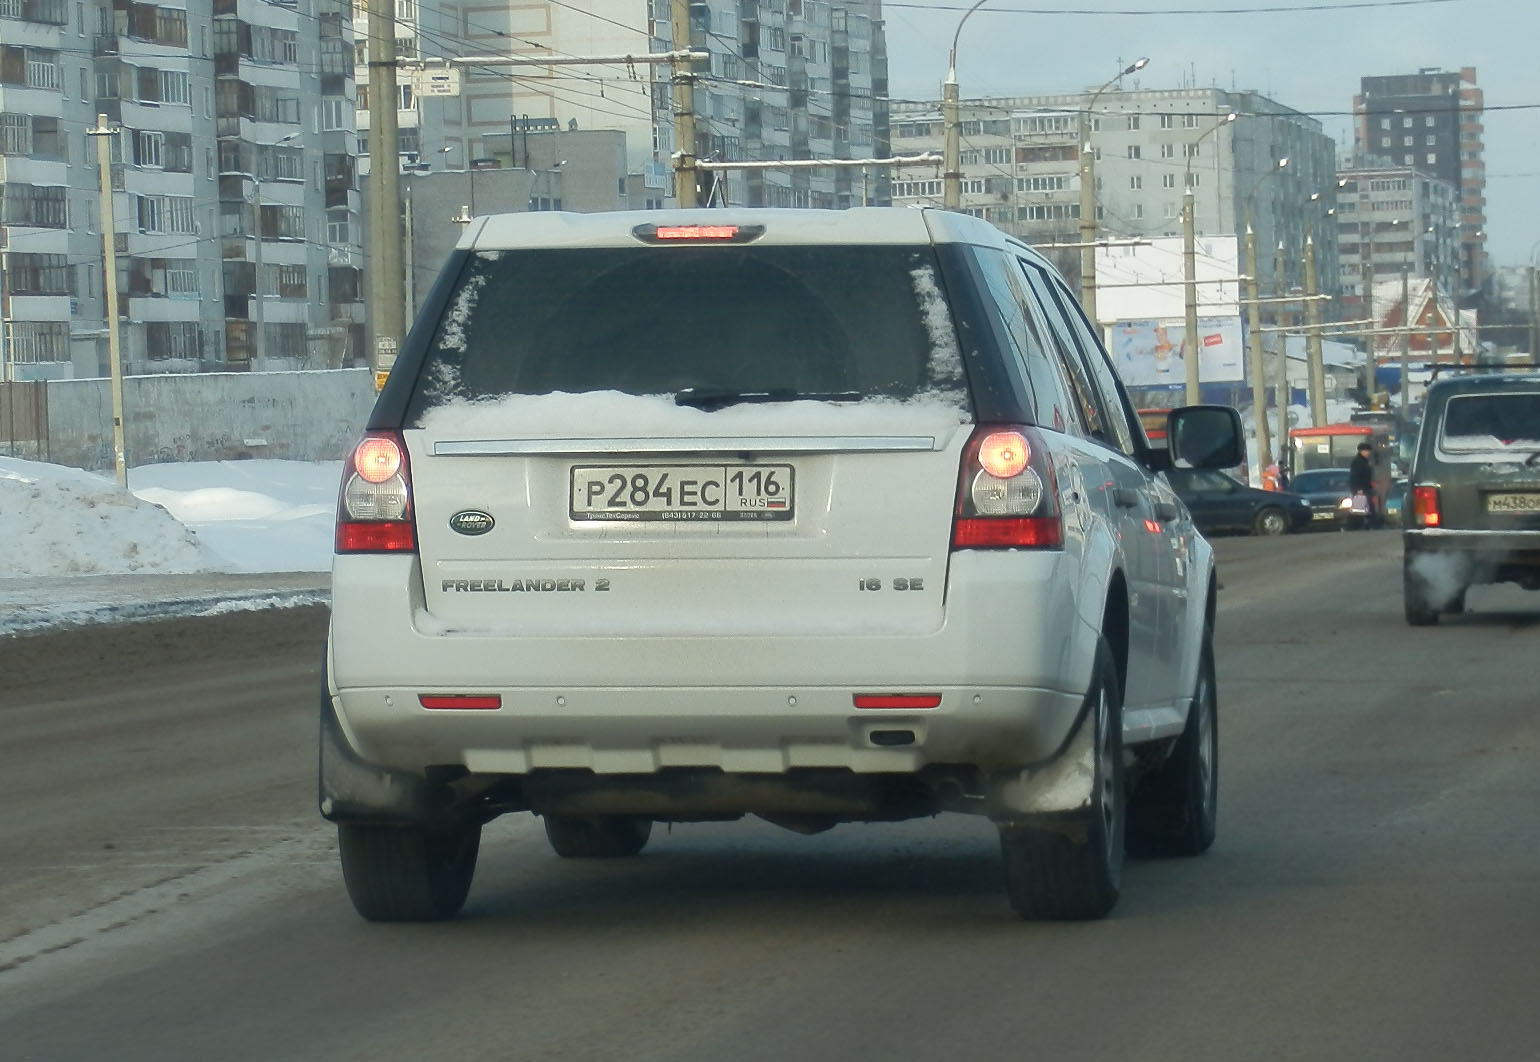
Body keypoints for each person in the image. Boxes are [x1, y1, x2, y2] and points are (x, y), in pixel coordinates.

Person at [1348, 440, 1377, 529]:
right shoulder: (1358, 462)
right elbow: (1355, 477)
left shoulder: (1364, 461)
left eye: (1369, 451)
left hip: (1365, 489)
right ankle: (1354, 526)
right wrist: (1358, 489)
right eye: (1366, 451)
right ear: (1361, 451)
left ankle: (1368, 524)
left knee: (1363, 508)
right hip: (1360, 490)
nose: (1368, 453)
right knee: (1360, 509)